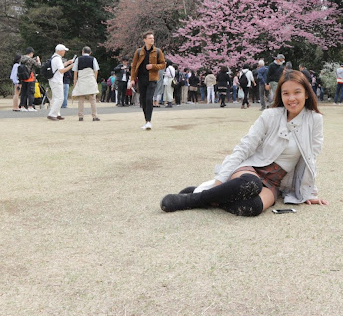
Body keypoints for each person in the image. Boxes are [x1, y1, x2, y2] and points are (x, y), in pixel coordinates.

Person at [160, 70, 329, 217]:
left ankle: (213, 197)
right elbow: (244, 147)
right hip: (251, 170)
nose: (291, 98)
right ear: (280, 95)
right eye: (286, 93)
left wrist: (310, 193)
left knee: (253, 207)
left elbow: (310, 159)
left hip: (275, 181)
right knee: (251, 184)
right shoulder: (270, 115)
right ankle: (194, 199)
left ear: (307, 93)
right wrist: (219, 181)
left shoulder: (315, 120)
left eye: (297, 92)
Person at [129, 31, 167, 130]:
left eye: (153, 38)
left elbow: (163, 64)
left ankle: (149, 121)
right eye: (150, 38)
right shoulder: (139, 52)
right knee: (143, 101)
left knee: (149, 99)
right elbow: (134, 66)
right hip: (141, 79)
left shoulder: (158, 51)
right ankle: (146, 121)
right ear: (145, 40)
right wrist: (132, 79)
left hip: (152, 78)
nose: (152, 40)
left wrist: (153, 66)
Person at [72, 46, 101, 122]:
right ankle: (94, 116)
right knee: (92, 99)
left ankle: (80, 116)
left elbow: (75, 71)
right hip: (90, 79)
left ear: (82, 51)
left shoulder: (78, 59)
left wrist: (75, 82)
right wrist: (94, 80)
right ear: (90, 52)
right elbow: (96, 71)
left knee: (81, 99)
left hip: (81, 79)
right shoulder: (93, 59)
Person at [46, 45, 75, 120]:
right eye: (64, 50)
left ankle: (57, 113)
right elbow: (61, 70)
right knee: (60, 98)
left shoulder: (54, 57)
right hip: (57, 80)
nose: (64, 52)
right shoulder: (58, 59)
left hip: (53, 80)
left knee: (56, 98)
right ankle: (52, 114)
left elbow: (60, 67)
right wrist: (71, 66)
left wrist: (68, 63)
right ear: (60, 51)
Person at [19, 47, 42, 112]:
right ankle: (30, 106)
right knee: (31, 92)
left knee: (23, 92)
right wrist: (38, 60)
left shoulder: (21, 59)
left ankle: (22, 106)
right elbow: (39, 66)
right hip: (30, 78)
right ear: (31, 53)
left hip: (23, 78)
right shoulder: (30, 60)